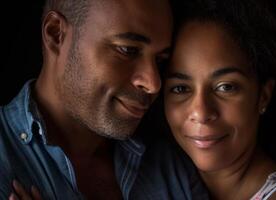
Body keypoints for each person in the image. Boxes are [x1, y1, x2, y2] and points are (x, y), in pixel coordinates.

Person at [0, 0, 208, 199]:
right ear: (56, 34)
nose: (154, 83)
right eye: (128, 50)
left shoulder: (169, 165)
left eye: (160, 60)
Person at [163, 0, 276, 199]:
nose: (201, 112)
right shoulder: (158, 178)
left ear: (263, 96)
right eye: (180, 88)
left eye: (226, 87)